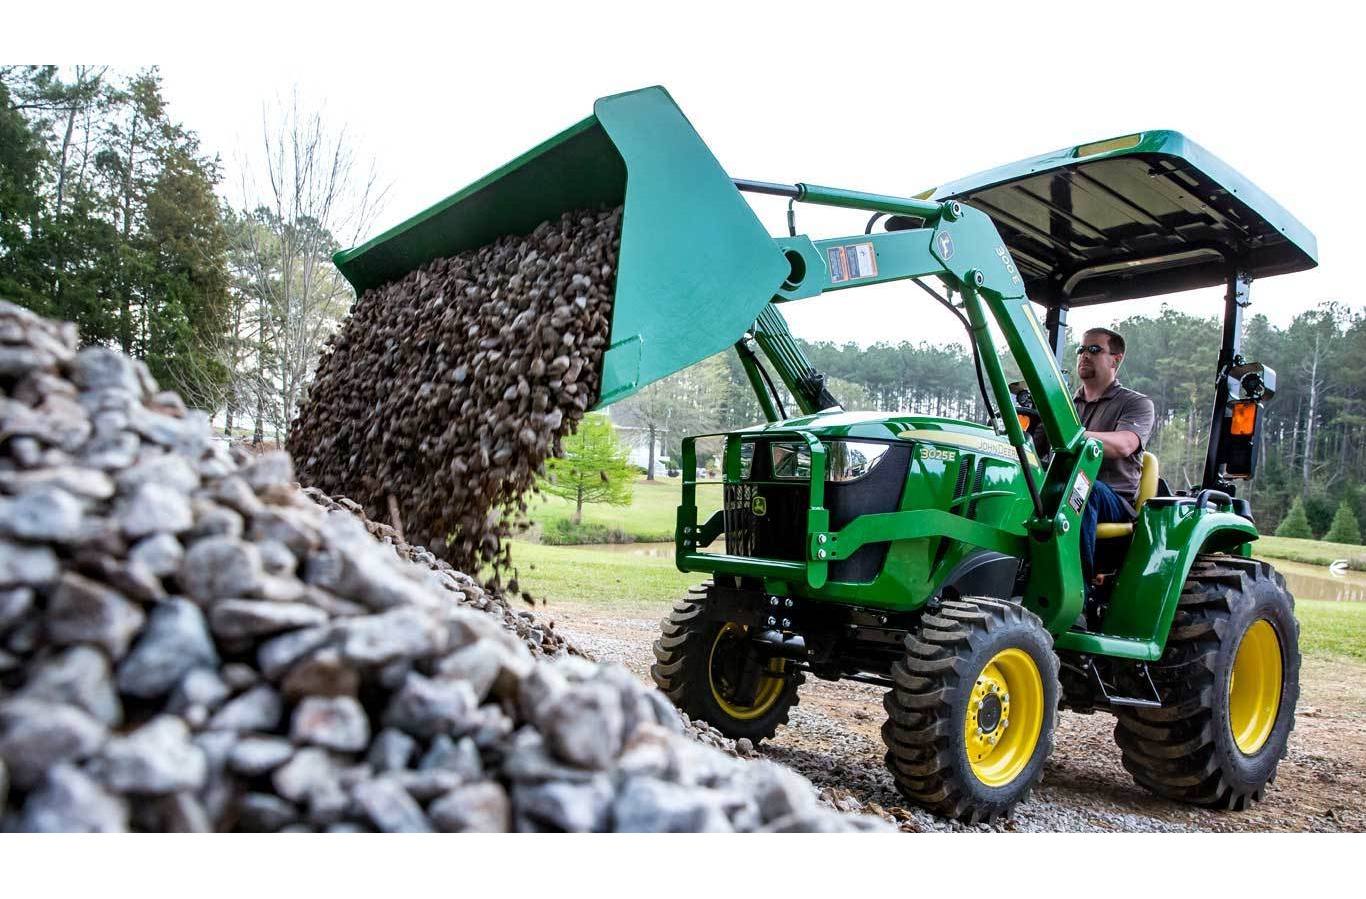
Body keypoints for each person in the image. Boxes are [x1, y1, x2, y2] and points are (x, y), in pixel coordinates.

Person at [1073, 327, 1155, 584]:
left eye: (1094, 349)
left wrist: (1074, 436)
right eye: (1081, 349)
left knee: (1083, 489)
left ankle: (1078, 592)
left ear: (1115, 359)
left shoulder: (1136, 403)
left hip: (1113, 499)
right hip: (1062, 487)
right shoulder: (1064, 405)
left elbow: (1124, 445)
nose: (1084, 355)